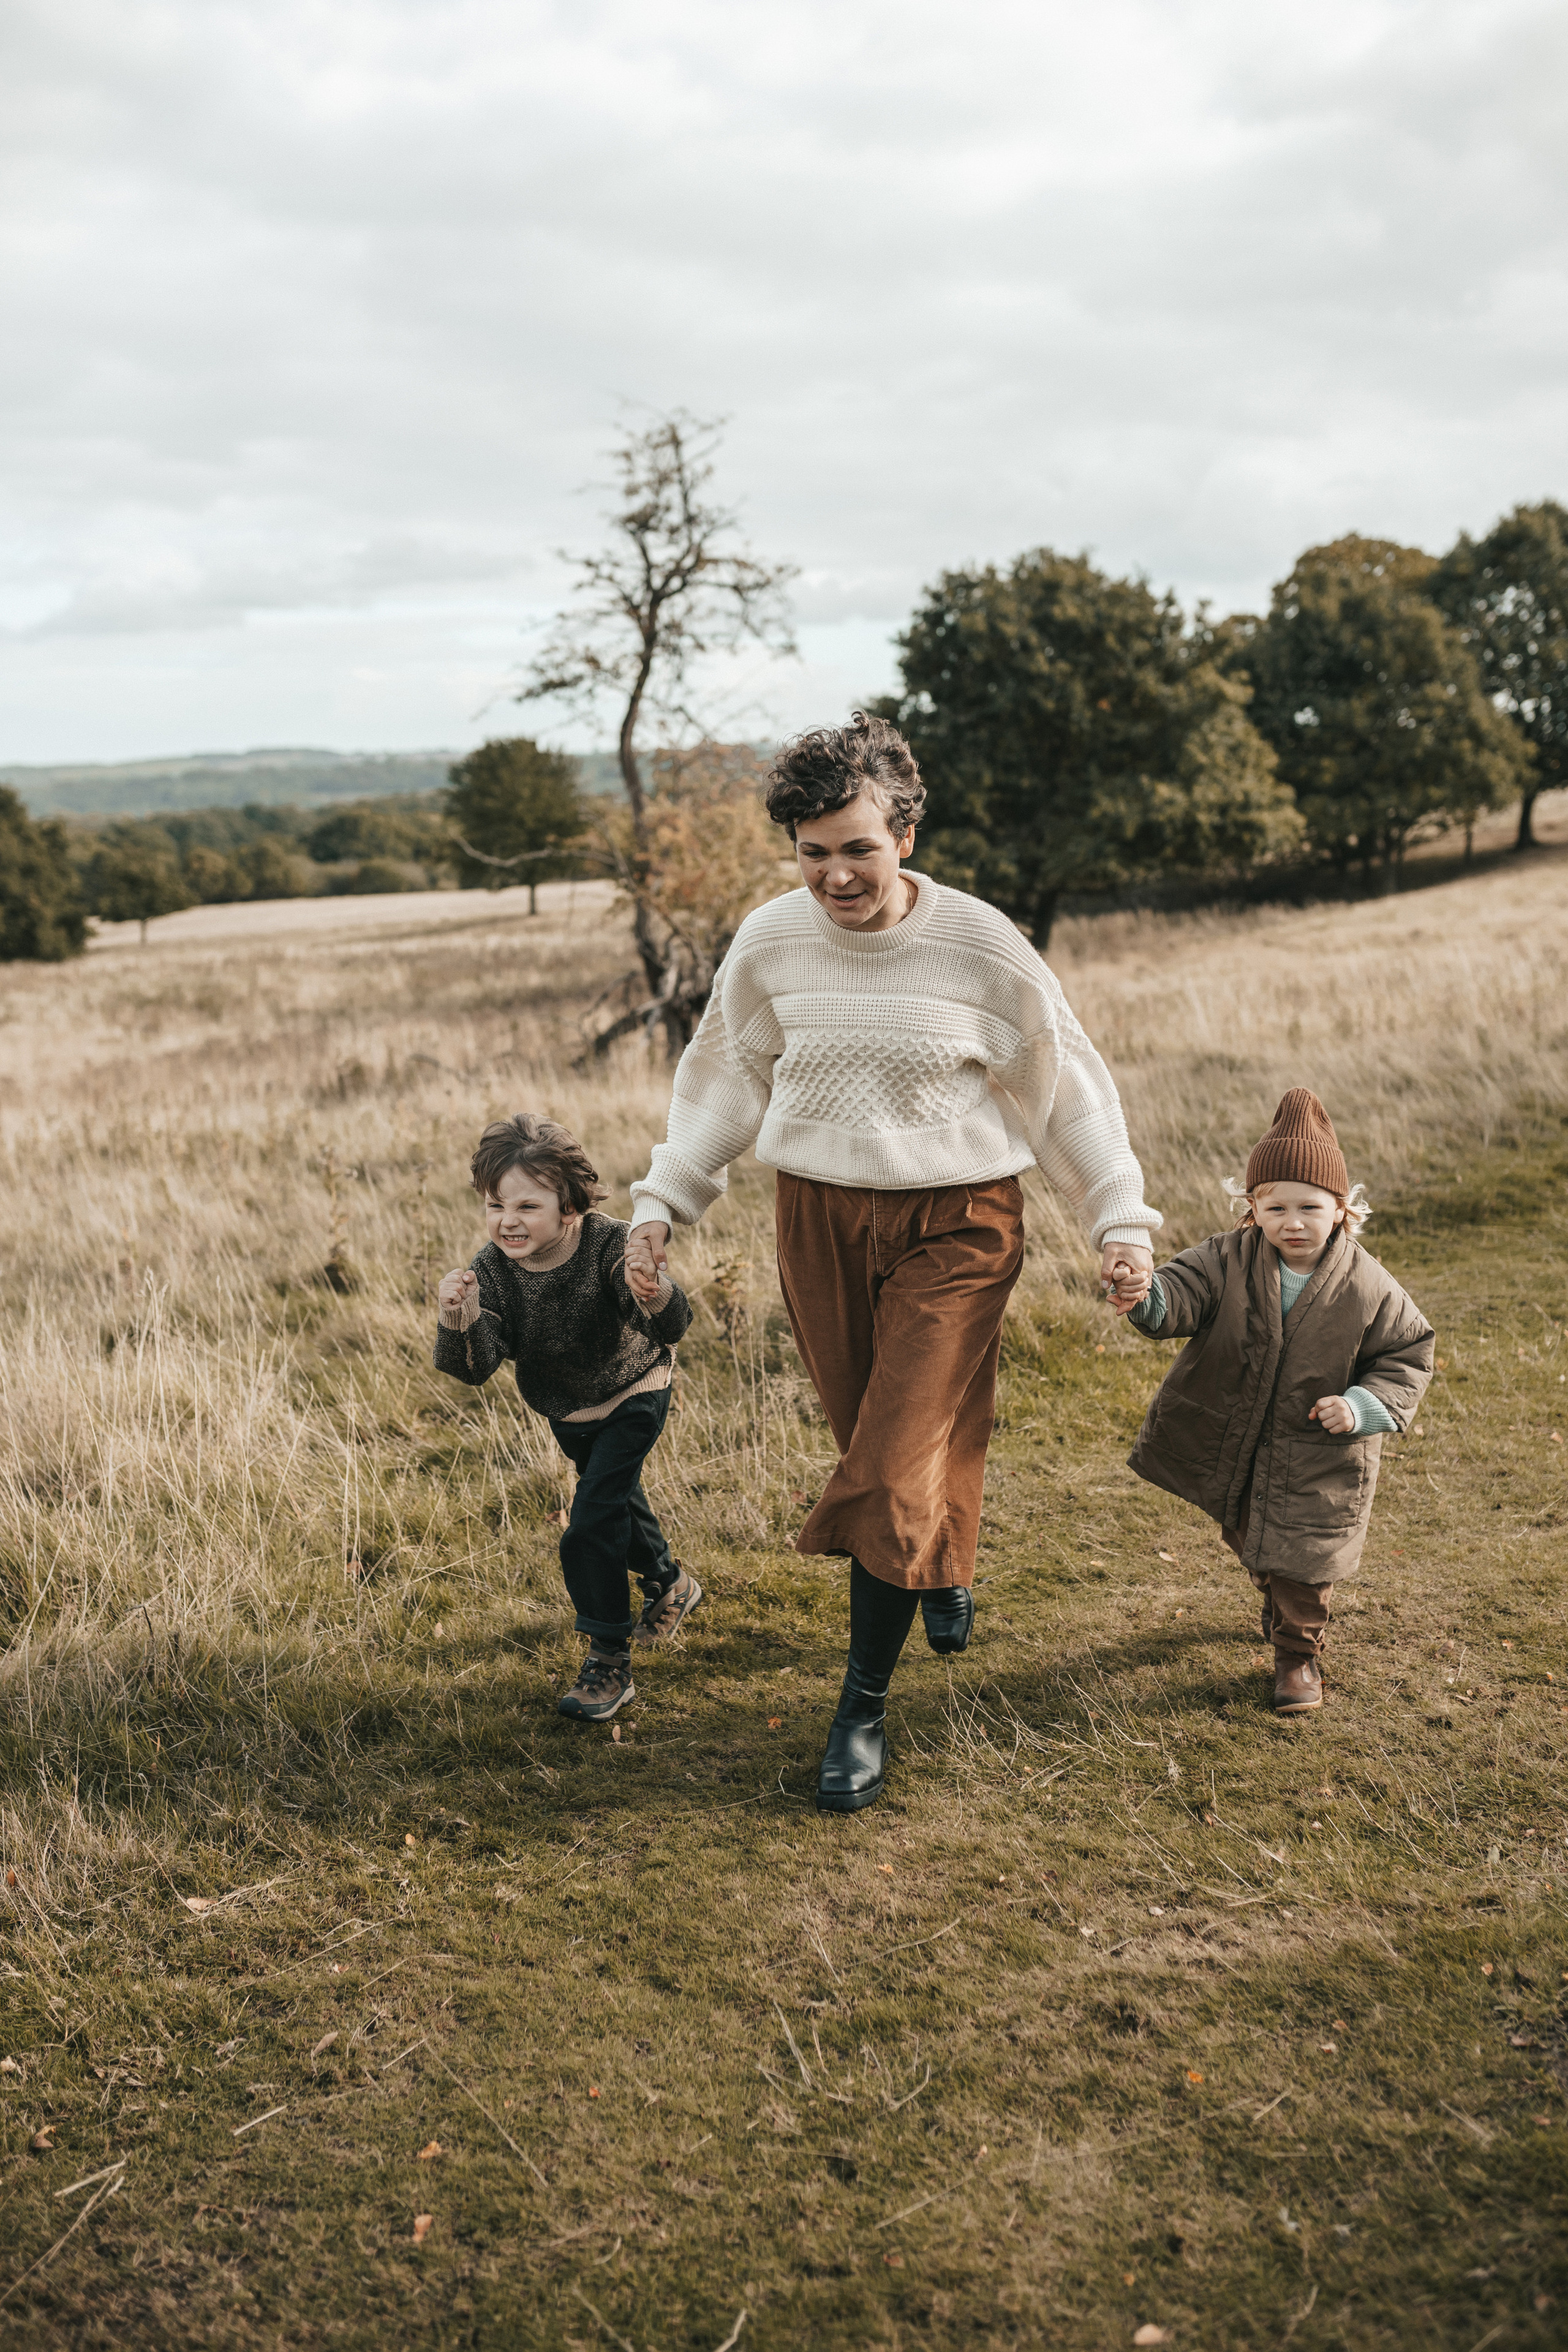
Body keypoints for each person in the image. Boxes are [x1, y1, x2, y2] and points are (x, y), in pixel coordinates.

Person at [623, 712, 1161, 1811]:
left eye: (856, 848)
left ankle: (859, 1709)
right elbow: (724, 1079)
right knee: (890, 1436)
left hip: (958, 1222)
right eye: (813, 853)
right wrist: (662, 1202)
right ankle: (944, 1562)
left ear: (906, 833)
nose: (833, 877)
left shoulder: (978, 945)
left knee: (892, 1454)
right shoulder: (772, 942)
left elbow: (1067, 1091)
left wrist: (1120, 1220)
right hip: (818, 1218)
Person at [1116, 1087, 1434, 1714]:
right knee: (1252, 1537)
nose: (1293, 1222)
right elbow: (1178, 1295)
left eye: (1309, 1207)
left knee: (1306, 1561)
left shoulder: (1368, 1285)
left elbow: (1407, 1353)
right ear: (1252, 1209)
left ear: (1342, 1208)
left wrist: (1363, 1406)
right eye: (1275, 1206)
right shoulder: (1225, 1260)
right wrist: (1144, 1293)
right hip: (1237, 1440)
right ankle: (1272, 1587)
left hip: (1321, 1452)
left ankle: (1297, 1656)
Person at [433, 1113, 701, 1724]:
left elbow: (673, 1325)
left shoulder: (609, 1244)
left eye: (528, 1206)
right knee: (617, 1497)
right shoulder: (494, 1271)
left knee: (591, 1522)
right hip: (567, 1409)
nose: (508, 1220)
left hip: (636, 1389)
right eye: (495, 1204)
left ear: (571, 1206)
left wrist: (650, 1288)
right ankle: (669, 1582)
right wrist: (461, 1317)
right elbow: (474, 1369)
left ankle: (608, 1660)